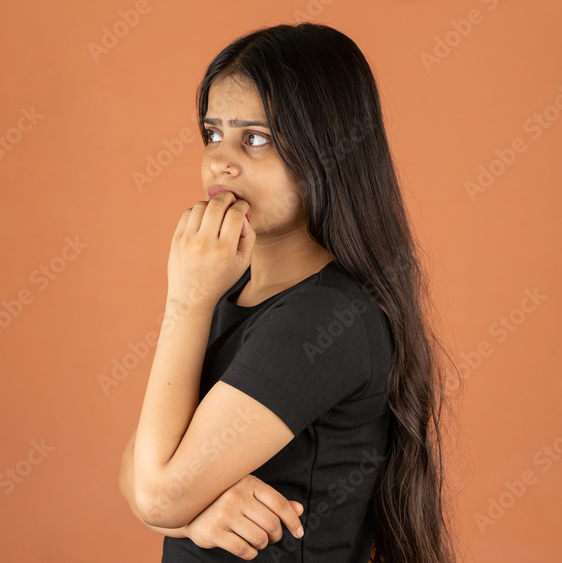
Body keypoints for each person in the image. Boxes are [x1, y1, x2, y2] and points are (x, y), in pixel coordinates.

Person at [119, 22, 460, 562]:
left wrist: (185, 299)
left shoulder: (324, 317)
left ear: (326, 153)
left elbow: (156, 492)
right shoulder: (230, 289)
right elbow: (140, 465)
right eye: (212, 134)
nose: (220, 161)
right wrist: (194, 512)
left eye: (254, 138)